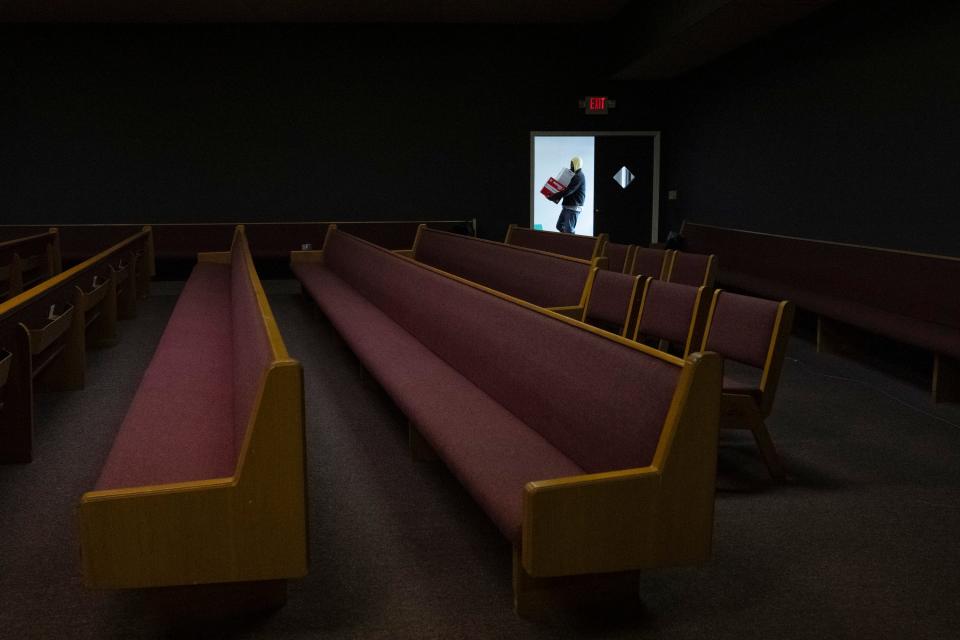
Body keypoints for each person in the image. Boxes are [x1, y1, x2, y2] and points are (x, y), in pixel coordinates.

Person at [550, 156, 586, 233]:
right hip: (567, 206)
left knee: (569, 231)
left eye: (572, 164)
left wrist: (554, 196)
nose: (571, 165)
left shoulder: (579, 176)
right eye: (571, 163)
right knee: (559, 226)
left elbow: (568, 191)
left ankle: (571, 243)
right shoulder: (573, 175)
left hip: (573, 207)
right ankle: (565, 240)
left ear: (577, 164)